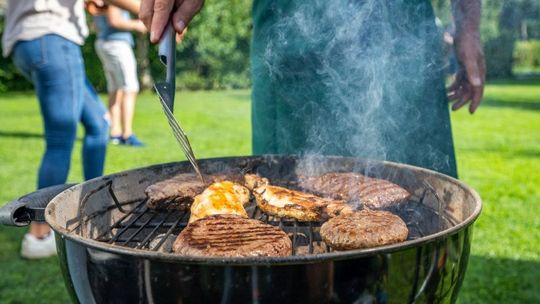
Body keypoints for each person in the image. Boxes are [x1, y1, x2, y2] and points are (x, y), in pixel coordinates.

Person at [139, 0, 485, 180]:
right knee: (290, 212)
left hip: (404, 37)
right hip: (293, 44)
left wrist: (469, 27)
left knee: (422, 209)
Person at [2, 0, 113, 259]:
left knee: (98, 123)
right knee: (60, 138)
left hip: (28, 40)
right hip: (51, 36)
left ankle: (95, 205)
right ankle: (39, 235)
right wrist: (147, 11)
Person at [93, 4, 147, 146]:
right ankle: (127, 134)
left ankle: (115, 132)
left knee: (115, 89)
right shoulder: (115, 2)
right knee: (130, 88)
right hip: (117, 44)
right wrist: (138, 24)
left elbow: (95, 25)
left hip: (104, 42)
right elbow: (115, 20)